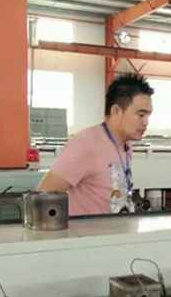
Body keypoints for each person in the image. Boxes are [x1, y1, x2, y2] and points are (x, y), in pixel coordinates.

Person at [38, 73, 153, 215]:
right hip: (86, 229)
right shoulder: (86, 143)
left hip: (114, 227)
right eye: (141, 115)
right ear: (116, 111)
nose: (146, 122)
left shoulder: (126, 146)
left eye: (148, 115)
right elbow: (44, 195)